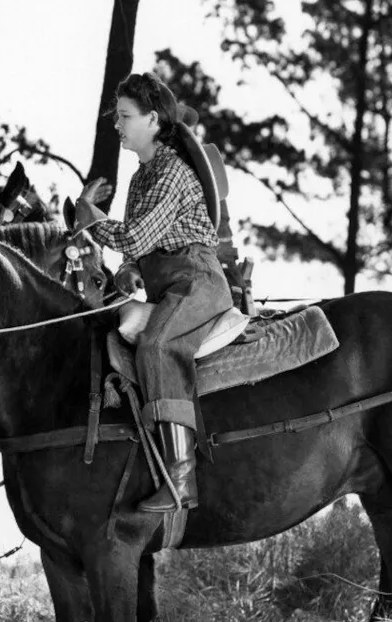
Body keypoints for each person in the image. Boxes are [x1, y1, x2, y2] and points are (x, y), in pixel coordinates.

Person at [78, 73, 233, 513]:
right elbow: (137, 251)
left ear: (152, 118)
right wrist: (128, 273)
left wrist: (88, 218)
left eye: (125, 117)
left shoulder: (169, 171)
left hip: (197, 281)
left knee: (157, 345)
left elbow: (132, 236)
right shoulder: (141, 178)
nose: (118, 125)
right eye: (117, 117)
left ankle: (181, 480)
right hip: (169, 284)